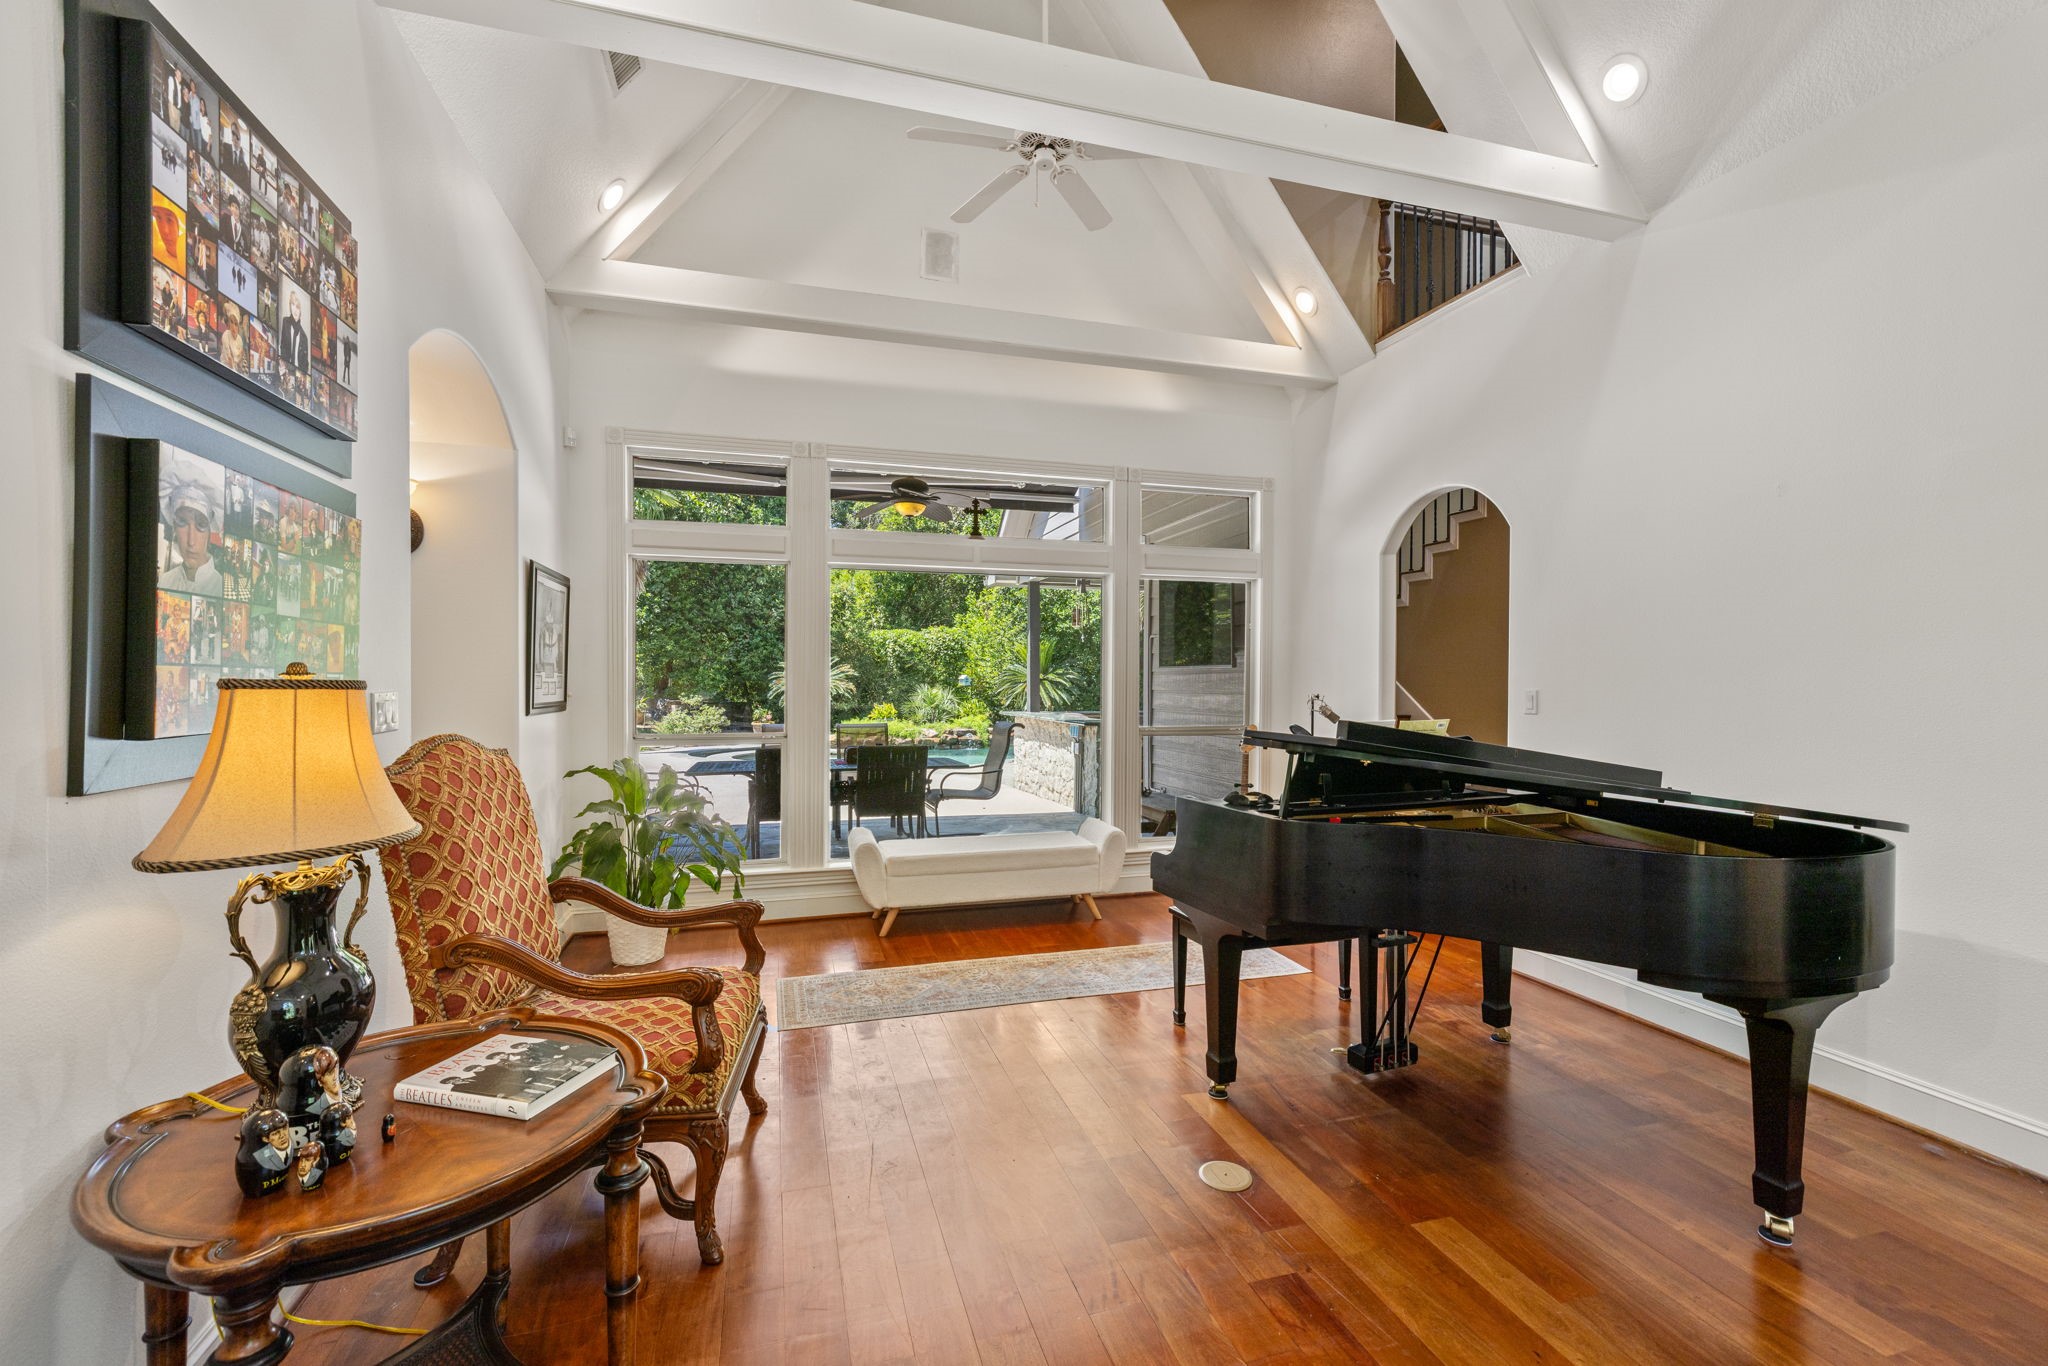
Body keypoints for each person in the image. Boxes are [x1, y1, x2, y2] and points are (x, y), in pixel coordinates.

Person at [157, 479, 224, 596]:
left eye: (201, 525)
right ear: (175, 529)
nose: (191, 541)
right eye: (182, 522)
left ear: (209, 533)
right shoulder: (165, 582)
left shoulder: (220, 587)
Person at [278, 294, 309, 372]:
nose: (295, 310)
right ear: (290, 307)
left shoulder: (304, 337)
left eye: (297, 307)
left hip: (297, 373)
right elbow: (283, 345)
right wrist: (282, 362)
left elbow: (305, 363)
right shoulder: (285, 322)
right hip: (285, 368)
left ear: (300, 310)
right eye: (293, 305)